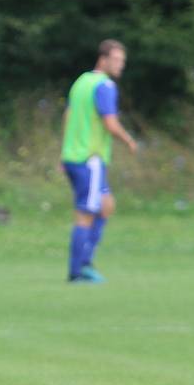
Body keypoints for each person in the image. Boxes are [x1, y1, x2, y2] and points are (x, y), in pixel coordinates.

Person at [61, 39, 137, 283]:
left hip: (74, 157)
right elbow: (110, 123)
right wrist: (129, 141)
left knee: (106, 206)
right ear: (103, 59)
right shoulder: (104, 86)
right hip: (89, 159)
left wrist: (64, 150)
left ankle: (85, 262)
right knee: (86, 212)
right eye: (116, 60)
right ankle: (79, 269)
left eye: (122, 61)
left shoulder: (81, 81)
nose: (120, 66)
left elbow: (68, 116)